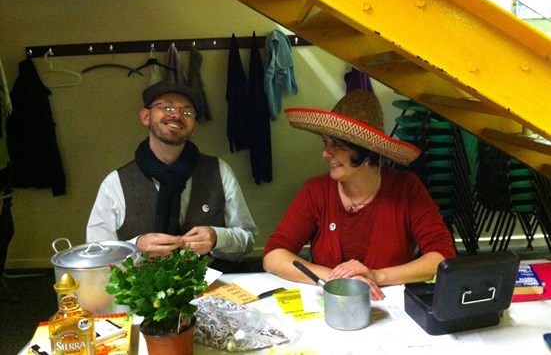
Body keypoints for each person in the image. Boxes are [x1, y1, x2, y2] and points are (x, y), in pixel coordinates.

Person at [263, 89, 456, 300]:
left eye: (336, 145)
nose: (325, 154)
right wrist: (337, 278)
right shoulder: (316, 191)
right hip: (330, 308)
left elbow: (442, 256)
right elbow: (273, 255)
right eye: (325, 143)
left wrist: (376, 275)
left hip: (391, 311)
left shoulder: (406, 189)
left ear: (365, 152)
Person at [87, 81, 258, 272]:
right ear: (145, 116)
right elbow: (97, 253)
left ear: (193, 127)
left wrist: (217, 238)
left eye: (187, 112)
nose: (176, 115)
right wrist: (136, 247)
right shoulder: (115, 183)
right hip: (141, 294)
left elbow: (248, 240)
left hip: (212, 289)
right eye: (166, 107)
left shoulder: (219, 171)